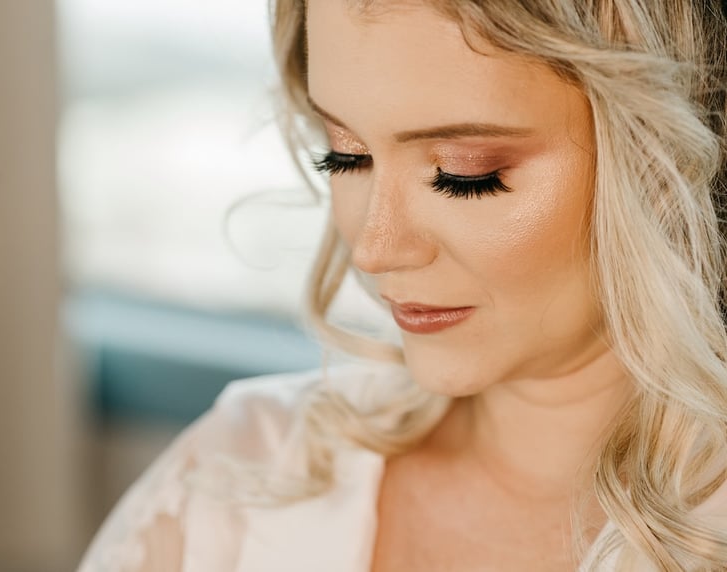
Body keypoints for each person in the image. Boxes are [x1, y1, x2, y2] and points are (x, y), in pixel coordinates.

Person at [77, 0, 727, 570]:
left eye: (464, 174)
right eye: (346, 154)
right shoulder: (238, 479)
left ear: (658, 160)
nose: (374, 247)